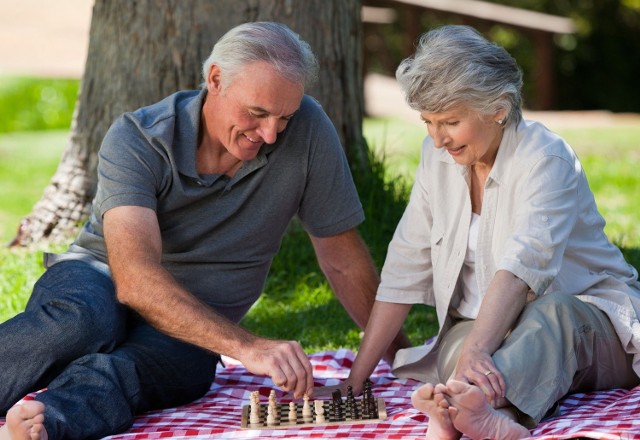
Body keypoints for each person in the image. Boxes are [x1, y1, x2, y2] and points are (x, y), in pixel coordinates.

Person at [0, 22, 409, 440]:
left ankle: (40, 428)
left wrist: (403, 359)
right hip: (101, 275)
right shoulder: (140, 137)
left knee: (144, 370)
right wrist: (249, 348)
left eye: (283, 117)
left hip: (198, 323)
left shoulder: (308, 131)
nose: (270, 134)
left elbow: (343, 258)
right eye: (257, 112)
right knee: (83, 323)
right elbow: (135, 278)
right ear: (215, 79)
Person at [342, 25, 640, 440]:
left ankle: (482, 413)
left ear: (498, 108)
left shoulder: (546, 157)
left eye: (450, 121)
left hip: (586, 324)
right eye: (427, 121)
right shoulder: (437, 157)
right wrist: (355, 381)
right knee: (456, 349)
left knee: (549, 317)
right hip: (486, 327)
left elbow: (522, 268)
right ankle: (473, 410)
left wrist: (479, 351)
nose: (437, 137)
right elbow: (405, 265)